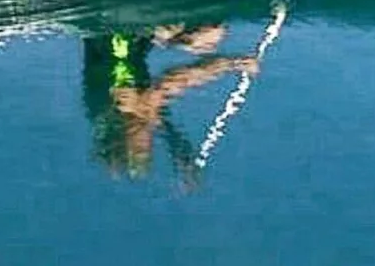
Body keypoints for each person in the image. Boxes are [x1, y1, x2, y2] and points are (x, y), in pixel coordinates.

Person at [81, 24, 256, 182]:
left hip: (117, 28)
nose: (148, 142)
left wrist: (231, 64)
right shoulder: (140, 116)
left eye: (140, 146)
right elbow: (162, 120)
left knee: (199, 36)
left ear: (123, 141)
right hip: (136, 38)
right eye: (146, 149)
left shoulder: (119, 106)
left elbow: (176, 81)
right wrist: (181, 153)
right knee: (210, 35)